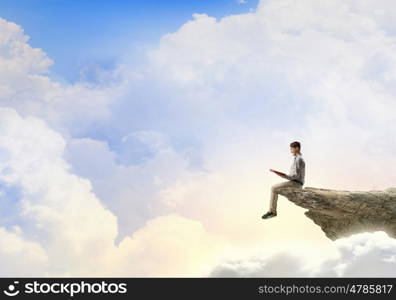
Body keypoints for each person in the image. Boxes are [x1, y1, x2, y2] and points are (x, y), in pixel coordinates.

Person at [262, 141, 305, 219]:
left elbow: (295, 176)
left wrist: (283, 176)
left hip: (296, 183)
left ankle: (272, 211)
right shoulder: (296, 159)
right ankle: (272, 211)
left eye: (292, 149)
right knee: (274, 188)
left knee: (273, 188)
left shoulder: (299, 159)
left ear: (297, 148)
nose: (290, 151)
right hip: (294, 182)